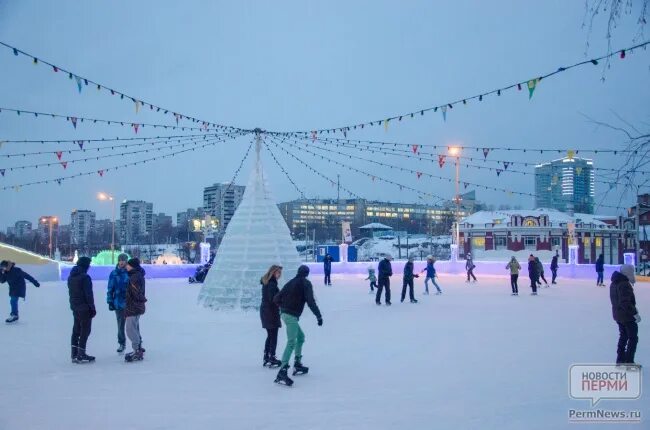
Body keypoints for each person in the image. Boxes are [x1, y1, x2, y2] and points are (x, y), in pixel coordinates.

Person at [273, 265, 323, 386]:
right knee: (291, 341)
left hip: (286, 314)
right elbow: (311, 301)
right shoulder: (305, 283)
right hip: (290, 316)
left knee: (300, 338)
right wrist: (318, 316)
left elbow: (276, 298)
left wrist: (284, 307)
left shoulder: (291, 282)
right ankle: (283, 370)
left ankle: (297, 363)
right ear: (307, 273)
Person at [609, 264, 641, 369]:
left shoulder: (614, 283)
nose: (633, 274)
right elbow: (625, 302)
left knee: (623, 336)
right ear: (627, 272)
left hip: (618, 315)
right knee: (632, 338)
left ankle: (620, 359)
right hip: (626, 316)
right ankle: (629, 362)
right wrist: (635, 313)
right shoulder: (624, 284)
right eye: (632, 272)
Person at [67, 257, 96, 363]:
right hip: (84, 308)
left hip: (75, 307)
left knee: (76, 330)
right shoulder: (85, 277)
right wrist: (92, 308)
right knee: (85, 331)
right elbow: (88, 295)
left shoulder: (71, 277)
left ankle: (74, 353)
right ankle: (81, 353)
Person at [124, 258, 147, 362]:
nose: (126, 266)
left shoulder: (135, 277)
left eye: (128, 265)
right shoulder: (136, 275)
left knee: (130, 329)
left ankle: (137, 350)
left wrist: (132, 300)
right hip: (135, 305)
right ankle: (137, 348)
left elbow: (136, 293)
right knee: (134, 327)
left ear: (132, 266)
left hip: (133, 306)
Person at [260, 264, 283, 368]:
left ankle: (267, 355)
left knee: (270, 335)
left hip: (266, 311)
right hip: (270, 312)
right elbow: (273, 299)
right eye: (278, 273)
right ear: (274, 272)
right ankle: (271, 356)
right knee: (273, 335)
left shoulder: (267, 282)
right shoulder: (272, 284)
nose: (280, 275)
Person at [107, 253, 129, 353]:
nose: (121, 262)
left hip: (130, 303)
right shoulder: (114, 273)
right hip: (118, 304)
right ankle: (121, 343)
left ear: (126, 261)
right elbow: (110, 288)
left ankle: (138, 343)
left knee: (133, 324)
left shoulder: (130, 272)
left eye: (123, 260)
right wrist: (110, 301)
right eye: (120, 260)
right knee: (120, 325)